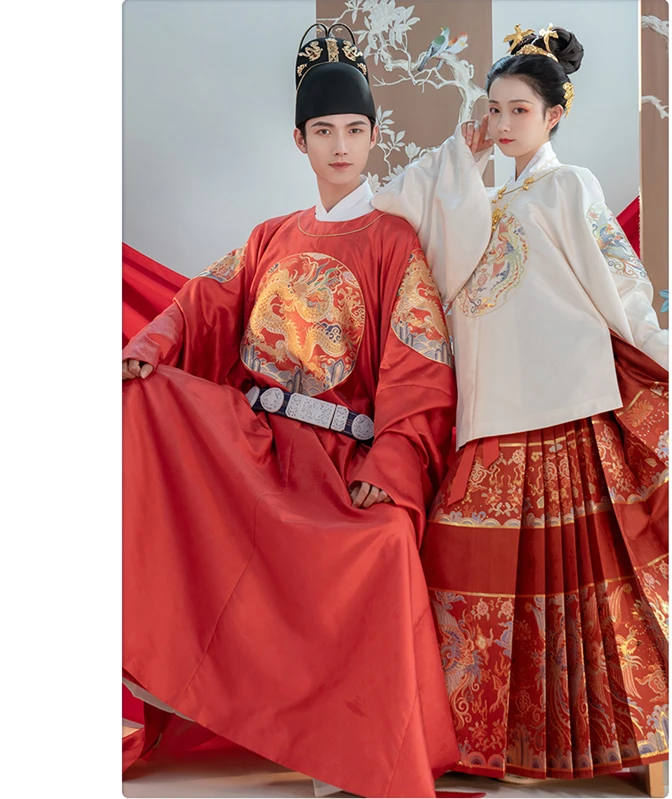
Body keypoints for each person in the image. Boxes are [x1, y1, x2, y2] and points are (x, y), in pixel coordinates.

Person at [121, 22, 460, 798]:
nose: (341, 146)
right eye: (324, 131)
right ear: (300, 140)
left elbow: (419, 365)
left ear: (373, 136)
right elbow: (203, 302)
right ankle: (220, 691)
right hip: (253, 443)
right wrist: (154, 344)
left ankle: (349, 744)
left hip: (338, 460)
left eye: (354, 130)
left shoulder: (393, 242)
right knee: (143, 402)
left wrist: (392, 463)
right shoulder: (269, 236)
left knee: (382, 547)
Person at [372, 23, 669, 783]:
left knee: (580, 591)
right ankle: (480, 744)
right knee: (473, 576)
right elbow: (392, 211)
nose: (503, 123)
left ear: (553, 115)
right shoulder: (478, 192)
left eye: (520, 111)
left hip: (564, 406)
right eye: (495, 109)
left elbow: (620, 283)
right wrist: (465, 157)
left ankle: (591, 744)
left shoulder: (569, 187)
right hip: (491, 411)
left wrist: (659, 352)